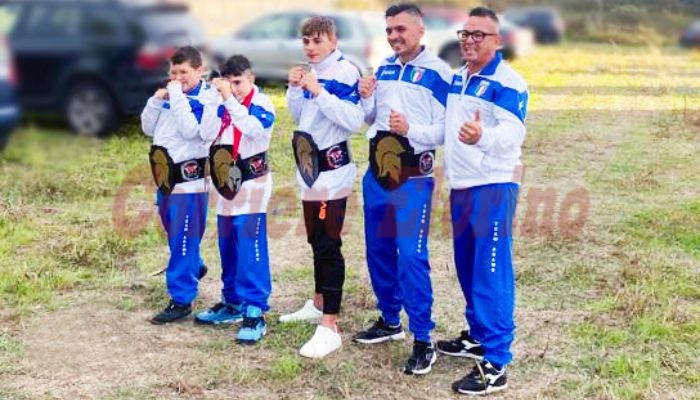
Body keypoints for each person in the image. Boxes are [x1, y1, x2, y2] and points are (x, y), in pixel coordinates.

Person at [353, 3, 452, 375]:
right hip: (377, 174)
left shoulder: (440, 73)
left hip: (413, 178)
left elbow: (445, 129)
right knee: (377, 250)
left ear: (421, 30)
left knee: (411, 255)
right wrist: (365, 95)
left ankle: (423, 337)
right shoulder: (384, 68)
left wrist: (412, 129)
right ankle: (390, 319)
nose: (394, 36)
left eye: (401, 29)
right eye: (389, 30)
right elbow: (369, 118)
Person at [436, 7, 529, 396]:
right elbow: (444, 129)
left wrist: (482, 137)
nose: (470, 40)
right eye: (466, 33)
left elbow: (513, 134)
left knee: (492, 272)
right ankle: (477, 334)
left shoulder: (509, 82)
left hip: (493, 186)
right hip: (463, 187)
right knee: (468, 266)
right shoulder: (459, 77)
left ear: (499, 41)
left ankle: (497, 362)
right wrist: (408, 132)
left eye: (480, 34)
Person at [279, 16, 364, 358]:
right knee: (315, 238)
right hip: (309, 170)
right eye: (306, 42)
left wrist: (319, 90)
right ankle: (318, 302)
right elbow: (301, 117)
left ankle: (330, 325)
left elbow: (354, 120)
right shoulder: (309, 71)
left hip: (334, 173)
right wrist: (295, 87)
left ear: (333, 40)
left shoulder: (345, 72)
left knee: (329, 243)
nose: (310, 47)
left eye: (317, 41)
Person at [193, 55, 276, 345]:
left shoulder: (262, 104)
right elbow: (204, 136)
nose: (233, 87)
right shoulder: (221, 105)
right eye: (228, 82)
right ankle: (232, 302)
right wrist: (216, 103)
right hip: (224, 182)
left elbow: (255, 130)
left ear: (251, 79)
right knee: (227, 243)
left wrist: (230, 100)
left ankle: (255, 309)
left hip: (252, 181)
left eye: (238, 82)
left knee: (250, 243)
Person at [141, 46, 219, 324]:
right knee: (174, 232)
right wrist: (155, 100)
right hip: (165, 179)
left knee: (183, 237)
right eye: (173, 72)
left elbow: (191, 131)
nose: (177, 77)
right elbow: (147, 128)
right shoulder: (169, 97)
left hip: (189, 181)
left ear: (199, 71)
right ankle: (193, 265)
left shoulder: (206, 99)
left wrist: (174, 94)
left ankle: (182, 299)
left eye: (184, 72)